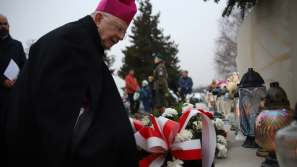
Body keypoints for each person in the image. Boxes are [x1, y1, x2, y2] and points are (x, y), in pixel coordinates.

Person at [0, 1, 139, 166]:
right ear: (99, 19)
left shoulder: (83, 41)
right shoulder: (72, 42)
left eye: (125, 32)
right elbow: (55, 116)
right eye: (119, 28)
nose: (121, 37)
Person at [0, 14, 27, 116]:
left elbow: (24, 64)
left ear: (9, 25)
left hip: (15, 94)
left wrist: (18, 77)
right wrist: (2, 80)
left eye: (5, 24)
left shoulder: (17, 45)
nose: (3, 26)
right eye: (0, 24)